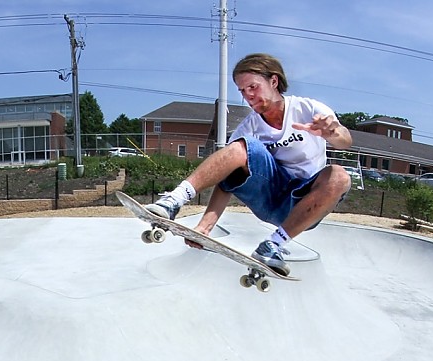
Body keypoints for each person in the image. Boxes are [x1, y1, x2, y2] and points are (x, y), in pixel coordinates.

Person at [146, 53, 353, 275]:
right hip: (269, 197)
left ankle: (273, 245)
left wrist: (332, 133)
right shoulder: (249, 126)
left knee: (340, 176)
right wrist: (204, 227)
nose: (249, 96)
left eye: (253, 87)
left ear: (274, 82)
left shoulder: (308, 109)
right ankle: (175, 200)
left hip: (304, 205)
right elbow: (227, 179)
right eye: (243, 91)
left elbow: (345, 140)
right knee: (239, 147)